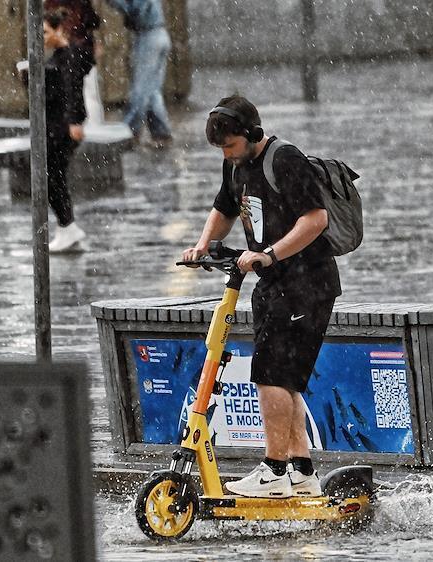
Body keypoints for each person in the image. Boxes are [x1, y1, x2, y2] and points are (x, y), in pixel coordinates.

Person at [181, 95, 340, 498]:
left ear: (252, 134)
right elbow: (224, 209)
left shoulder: (285, 159)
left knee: (270, 375)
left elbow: (316, 219)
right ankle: (301, 471)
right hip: (272, 283)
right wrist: (202, 246)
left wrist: (269, 254)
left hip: (307, 283)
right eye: (221, 148)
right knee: (283, 379)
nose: (227, 154)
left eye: (231, 145)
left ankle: (274, 471)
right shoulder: (234, 163)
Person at [41, 8, 88, 253]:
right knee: (53, 178)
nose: (43, 36)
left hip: (61, 127)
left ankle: (67, 226)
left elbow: (72, 92)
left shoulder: (68, 55)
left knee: (54, 177)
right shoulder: (56, 56)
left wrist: (74, 122)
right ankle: (66, 226)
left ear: (59, 29)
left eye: (46, 31)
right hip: (54, 126)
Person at [105, 0, 173, 147]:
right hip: (159, 34)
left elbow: (136, 11)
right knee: (152, 90)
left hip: (149, 37)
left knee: (140, 89)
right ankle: (161, 132)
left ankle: (128, 131)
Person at [43, 0, 103, 124]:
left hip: (78, 49)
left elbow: (92, 21)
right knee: (85, 94)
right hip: (78, 49)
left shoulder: (71, 52)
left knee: (85, 94)